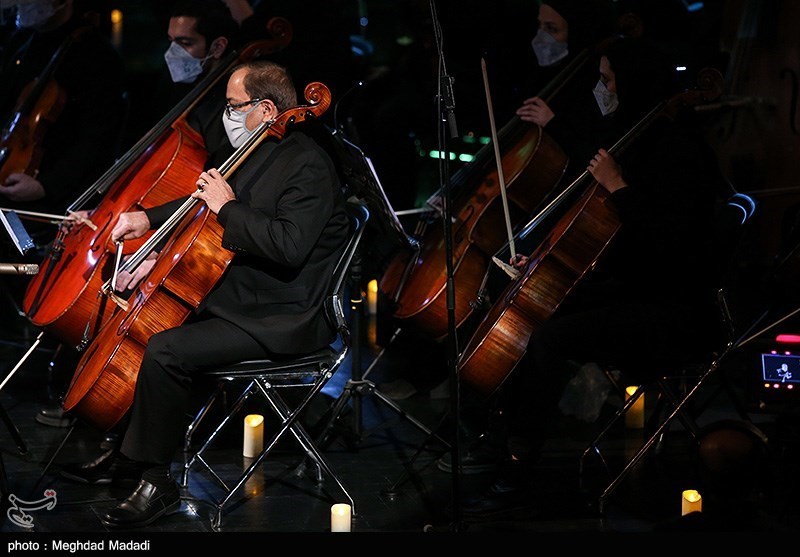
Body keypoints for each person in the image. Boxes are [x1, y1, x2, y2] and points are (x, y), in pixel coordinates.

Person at [59, 59, 350, 529]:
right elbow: (202, 198)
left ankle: (157, 482)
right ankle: (127, 454)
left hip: (280, 316)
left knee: (166, 349)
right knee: (140, 321)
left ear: (266, 108)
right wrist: (147, 219)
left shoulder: (308, 164)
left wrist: (228, 207)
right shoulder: (259, 147)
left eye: (234, 106)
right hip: (241, 297)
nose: (226, 115)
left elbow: (288, 246)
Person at [458, 35, 730, 516]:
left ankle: (519, 469)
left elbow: (669, 251)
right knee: (528, 301)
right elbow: (614, 246)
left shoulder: (682, 154)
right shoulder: (638, 135)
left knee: (549, 338)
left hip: (674, 308)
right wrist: (545, 264)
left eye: (608, 80)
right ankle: (498, 438)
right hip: (634, 287)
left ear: (633, 82)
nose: (602, 89)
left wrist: (620, 187)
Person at [0, 0, 126, 427]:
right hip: (15, 176)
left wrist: (46, 184)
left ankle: (55, 354)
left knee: (29, 260)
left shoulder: (94, 56)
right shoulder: (22, 41)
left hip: (60, 195)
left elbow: (97, 138)